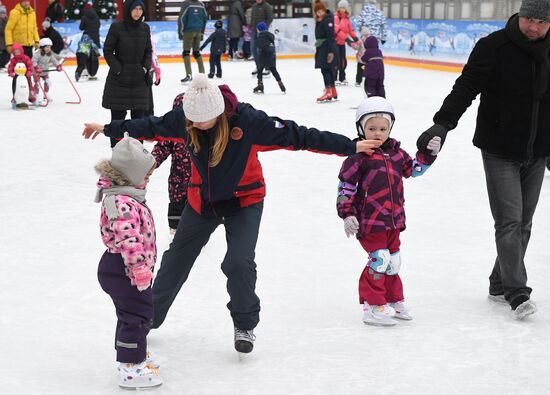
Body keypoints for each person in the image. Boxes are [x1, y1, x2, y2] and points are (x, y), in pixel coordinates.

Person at [82, 73, 384, 354]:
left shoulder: (249, 121)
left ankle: (244, 325)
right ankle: (149, 317)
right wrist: (108, 128)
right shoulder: (184, 118)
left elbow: (299, 135)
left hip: (245, 200)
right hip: (204, 202)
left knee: (238, 262)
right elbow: (150, 125)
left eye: (205, 120)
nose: (198, 125)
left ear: (220, 111)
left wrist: (350, 146)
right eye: (193, 121)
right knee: (176, 259)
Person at [415, 0, 550, 320]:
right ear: (520, 15)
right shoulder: (493, 47)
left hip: (537, 150)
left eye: (542, 22)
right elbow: (466, 87)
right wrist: (442, 123)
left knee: (524, 224)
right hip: (499, 148)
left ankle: (499, 282)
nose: (534, 27)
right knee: (510, 221)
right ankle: (517, 291)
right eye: (529, 19)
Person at [337, 96, 440, 326]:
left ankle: (393, 300)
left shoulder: (396, 153)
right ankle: (372, 305)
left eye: (383, 128)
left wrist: (428, 154)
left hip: (393, 220)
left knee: (393, 261)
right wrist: (348, 214)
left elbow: (414, 170)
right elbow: (346, 189)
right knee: (379, 258)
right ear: (361, 128)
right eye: (371, 128)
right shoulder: (357, 158)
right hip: (370, 221)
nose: (377, 133)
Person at [94, 133, 163, 389]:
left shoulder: (125, 194)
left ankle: (132, 353)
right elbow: (128, 237)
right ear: (130, 175)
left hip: (123, 267)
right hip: (123, 267)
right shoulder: (121, 201)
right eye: (145, 176)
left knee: (132, 313)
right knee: (137, 314)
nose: (147, 181)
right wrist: (139, 268)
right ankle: (131, 367)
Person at [102, 0, 152, 147]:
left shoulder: (145, 28)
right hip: (118, 82)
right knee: (117, 122)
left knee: (139, 123)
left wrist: (145, 67)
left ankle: (138, 155)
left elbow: (148, 51)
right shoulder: (117, 27)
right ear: (128, 10)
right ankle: (117, 153)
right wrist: (118, 68)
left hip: (139, 81)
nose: (138, 12)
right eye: (134, 9)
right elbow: (107, 51)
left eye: (140, 9)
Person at [151, 93, 192, 235]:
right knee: (177, 205)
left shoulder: (204, 131)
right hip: (178, 179)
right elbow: (162, 147)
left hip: (201, 182)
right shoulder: (172, 132)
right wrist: (151, 163)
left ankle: (197, 233)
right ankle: (175, 230)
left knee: (199, 207)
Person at [314, 0, 339, 103]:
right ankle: (332, 90)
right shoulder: (321, 20)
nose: (319, 13)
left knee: (325, 70)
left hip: (327, 48)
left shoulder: (327, 20)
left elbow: (330, 37)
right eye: (317, 12)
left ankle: (328, 91)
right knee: (327, 70)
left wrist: (330, 52)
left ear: (324, 10)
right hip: (322, 47)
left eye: (321, 11)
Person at [177, 0, 207, 83]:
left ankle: (189, 75)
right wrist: (202, 33)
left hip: (188, 31)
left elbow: (182, 18)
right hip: (198, 31)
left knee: (186, 53)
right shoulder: (201, 4)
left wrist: (180, 32)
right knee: (196, 53)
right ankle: (202, 74)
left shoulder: (186, 3)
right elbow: (205, 19)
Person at [253, 21, 285, 94]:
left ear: (259, 29)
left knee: (260, 70)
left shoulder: (261, 36)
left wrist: (258, 51)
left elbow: (261, 46)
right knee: (274, 70)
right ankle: (281, 84)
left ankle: (260, 85)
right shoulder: (271, 35)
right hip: (272, 56)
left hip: (263, 56)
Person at [334, 0, 357, 86]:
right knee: (336, 61)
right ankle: (334, 78)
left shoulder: (347, 19)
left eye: (343, 7)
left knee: (343, 61)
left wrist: (355, 38)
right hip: (335, 42)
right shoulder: (336, 17)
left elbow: (350, 30)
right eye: (340, 7)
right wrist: (347, 39)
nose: (342, 9)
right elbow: (337, 30)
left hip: (342, 43)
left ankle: (342, 78)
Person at [32, 37, 63, 101]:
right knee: (37, 83)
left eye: (49, 47)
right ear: (42, 47)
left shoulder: (49, 54)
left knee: (48, 82)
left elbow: (54, 60)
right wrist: (36, 67)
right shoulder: (37, 53)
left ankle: (46, 93)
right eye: (46, 47)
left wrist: (58, 66)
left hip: (45, 71)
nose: (48, 49)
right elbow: (33, 61)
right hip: (37, 72)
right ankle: (36, 94)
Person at [249, 0, 273, 75]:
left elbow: (270, 18)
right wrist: (252, 26)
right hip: (254, 31)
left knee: (264, 49)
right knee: (254, 49)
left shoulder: (267, 6)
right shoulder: (254, 6)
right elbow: (252, 17)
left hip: (263, 32)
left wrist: (264, 28)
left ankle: (267, 68)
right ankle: (258, 66)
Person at [0, 5, 8, 70]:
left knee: (7, 53)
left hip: (6, 40)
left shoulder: (7, 20)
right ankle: (1, 65)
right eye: (1, 13)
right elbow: (2, 30)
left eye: (4, 13)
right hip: (1, 40)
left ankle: (4, 64)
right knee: (1, 53)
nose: (2, 15)